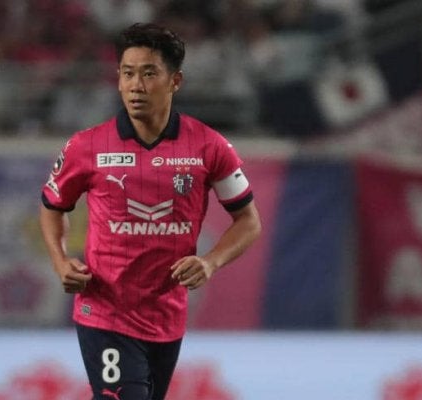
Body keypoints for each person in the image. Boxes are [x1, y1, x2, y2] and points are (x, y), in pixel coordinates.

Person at [38, 22, 261, 400]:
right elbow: (52, 208)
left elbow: (249, 221)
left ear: (175, 81)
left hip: (166, 315)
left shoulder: (209, 146)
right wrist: (60, 262)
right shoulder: (87, 146)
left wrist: (210, 262)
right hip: (105, 311)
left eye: (148, 74)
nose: (135, 86)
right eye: (127, 74)